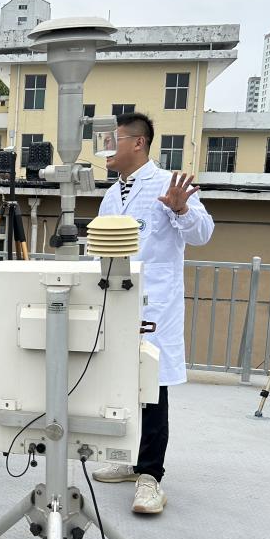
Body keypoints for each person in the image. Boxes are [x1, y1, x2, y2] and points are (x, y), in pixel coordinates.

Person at [93, 112, 214, 514]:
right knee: (122, 383)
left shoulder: (167, 185)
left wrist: (182, 210)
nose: (106, 149)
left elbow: (202, 233)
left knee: (152, 388)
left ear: (138, 143)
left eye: (113, 141)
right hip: (116, 301)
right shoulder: (113, 194)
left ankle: (150, 477)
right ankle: (129, 460)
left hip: (154, 304)